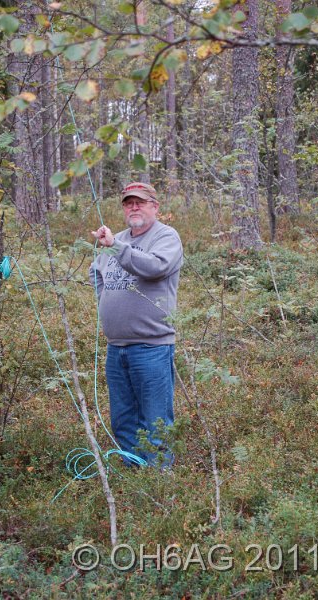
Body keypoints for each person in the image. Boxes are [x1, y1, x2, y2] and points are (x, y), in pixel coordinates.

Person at [89, 182, 183, 466]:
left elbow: (156, 267)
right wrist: (107, 301)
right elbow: (96, 273)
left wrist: (116, 246)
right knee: (123, 418)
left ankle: (159, 480)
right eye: (128, 203)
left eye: (140, 202)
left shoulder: (166, 236)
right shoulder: (115, 239)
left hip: (151, 347)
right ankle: (134, 473)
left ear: (155, 206)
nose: (134, 207)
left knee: (155, 419)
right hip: (116, 348)